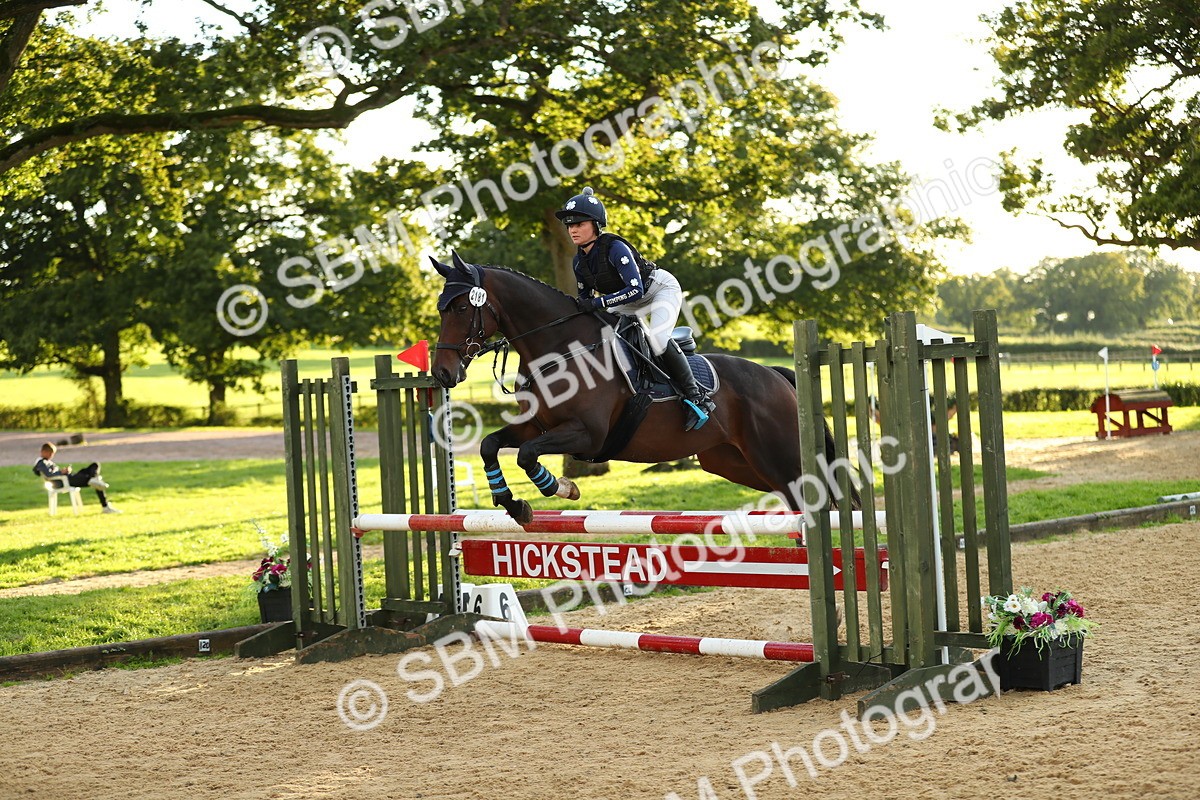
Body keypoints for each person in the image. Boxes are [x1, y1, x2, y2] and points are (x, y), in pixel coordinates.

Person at [555, 186, 716, 430]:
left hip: (658, 290)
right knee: (603, 335)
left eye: (579, 224)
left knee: (658, 339)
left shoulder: (615, 248)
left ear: (596, 225)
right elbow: (585, 303)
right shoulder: (579, 262)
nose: (573, 230)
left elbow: (635, 290)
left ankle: (697, 397)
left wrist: (597, 303)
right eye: (569, 225)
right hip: (627, 301)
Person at [33, 442, 121, 513]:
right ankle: (105, 506)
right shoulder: (41, 463)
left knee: (95, 466)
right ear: (43, 452)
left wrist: (64, 471)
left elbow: (52, 472)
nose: (51, 456)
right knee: (96, 482)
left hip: (69, 478)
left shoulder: (46, 462)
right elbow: (49, 475)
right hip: (67, 481)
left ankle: (95, 480)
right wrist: (61, 472)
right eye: (50, 453)